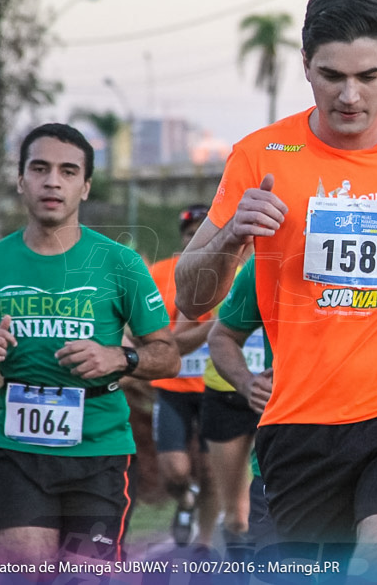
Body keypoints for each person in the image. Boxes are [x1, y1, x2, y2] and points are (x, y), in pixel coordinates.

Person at [174, 0, 377, 578]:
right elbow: (193, 298)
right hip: (303, 420)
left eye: (368, 76)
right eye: (331, 76)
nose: (349, 95)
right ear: (305, 67)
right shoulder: (260, 156)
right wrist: (231, 239)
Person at [0, 123, 180, 564]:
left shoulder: (121, 263)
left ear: (85, 186)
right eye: (40, 168)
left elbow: (168, 356)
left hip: (99, 450)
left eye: (68, 171)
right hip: (18, 450)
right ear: (21, 180)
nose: (53, 181)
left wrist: (119, 356)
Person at [146, 204, 218, 549]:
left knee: (210, 472)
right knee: (175, 470)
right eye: (190, 235)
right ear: (183, 238)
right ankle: (185, 500)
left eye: (203, 235)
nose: (197, 241)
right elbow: (152, 329)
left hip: (215, 389)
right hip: (172, 386)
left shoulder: (230, 272)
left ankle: (203, 544)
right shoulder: (161, 273)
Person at [205, 257, 277, 547]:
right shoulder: (261, 266)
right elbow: (219, 335)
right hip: (228, 395)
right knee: (237, 518)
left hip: (372, 427)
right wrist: (247, 381)